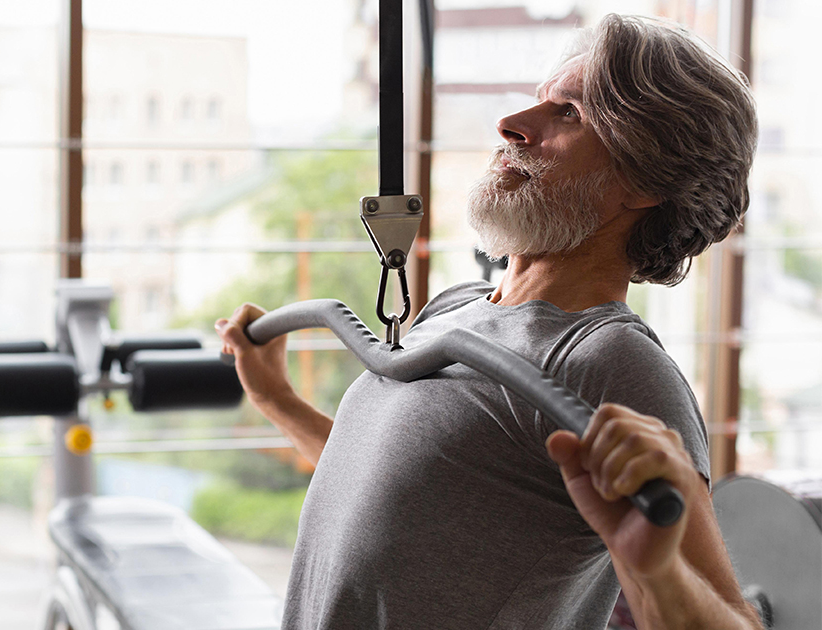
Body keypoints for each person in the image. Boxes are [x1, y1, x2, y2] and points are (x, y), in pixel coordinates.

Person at [216, 14, 762, 630]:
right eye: (540, 100)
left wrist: (656, 574)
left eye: (571, 115)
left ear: (642, 179)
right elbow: (403, 497)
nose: (511, 124)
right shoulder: (458, 307)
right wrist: (279, 401)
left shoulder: (608, 364)